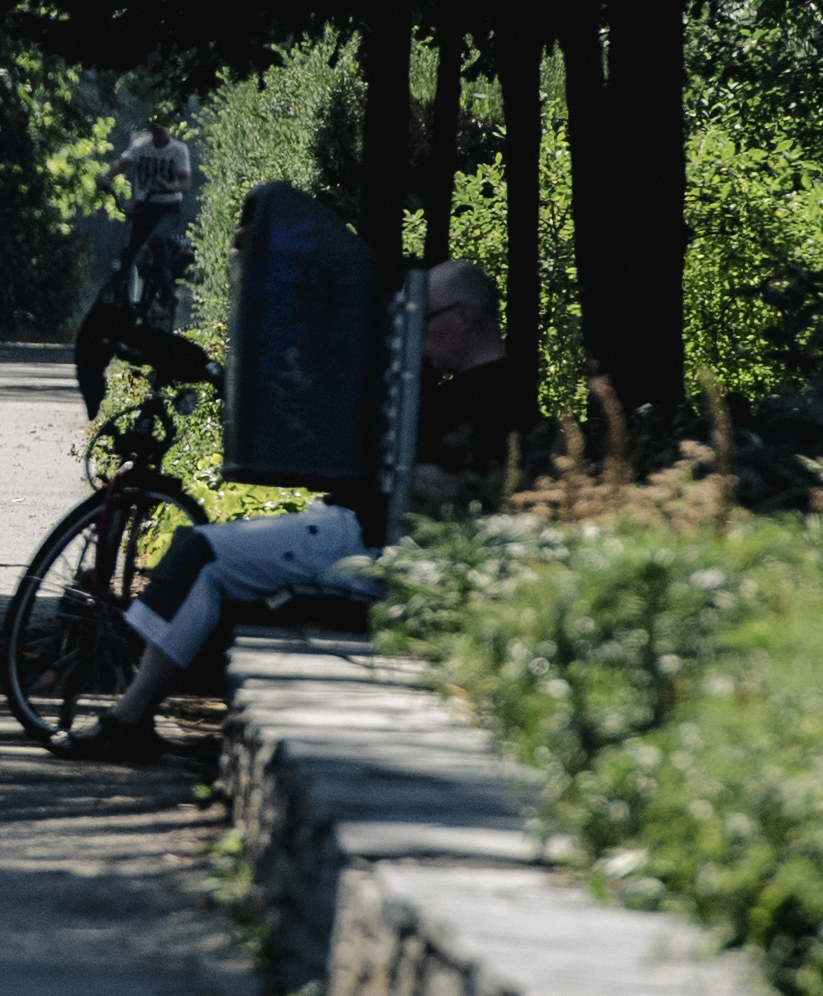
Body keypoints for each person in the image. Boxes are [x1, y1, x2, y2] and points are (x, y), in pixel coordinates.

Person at [52, 259, 507, 759]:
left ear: (463, 317)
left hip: (368, 544)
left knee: (202, 551)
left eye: (428, 319)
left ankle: (127, 720)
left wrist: (391, 469)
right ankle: (132, 713)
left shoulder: (494, 397)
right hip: (355, 530)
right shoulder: (464, 390)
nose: (418, 336)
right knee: (202, 552)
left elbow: (461, 489)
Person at [114, 113, 198, 319]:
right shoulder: (141, 147)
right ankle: (120, 299)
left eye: (161, 126)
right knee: (128, 251)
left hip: (167, 209)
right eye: (154, 125)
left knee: (158, 239)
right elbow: (122, 163)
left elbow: (185, 183)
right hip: (143, 207)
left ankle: (167, 287)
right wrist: (106, 178)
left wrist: (169, 187)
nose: (157, 130)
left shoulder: (178, 150)